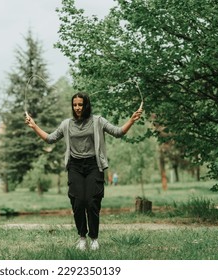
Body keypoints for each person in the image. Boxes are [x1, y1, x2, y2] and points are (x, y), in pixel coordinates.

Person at [25, 92, 142, 251]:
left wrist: (131, 120)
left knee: (92, 201)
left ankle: (94, 238)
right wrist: (34, 126)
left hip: (94, 165)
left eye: (80, 104)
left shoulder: (98, 121)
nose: (77, 108)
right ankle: (82, 237)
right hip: (75, 166)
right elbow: (50, 138)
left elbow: (118, 132)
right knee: (78, 202)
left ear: (86, 105)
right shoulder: (67, 124)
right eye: (75, 105)